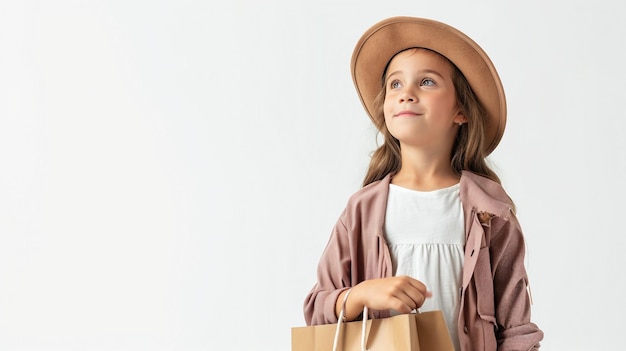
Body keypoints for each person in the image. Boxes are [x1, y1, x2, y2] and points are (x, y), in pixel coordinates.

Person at [303, 16, 544, 351]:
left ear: (461, 110)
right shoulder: (361, 210)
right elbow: (316, 310)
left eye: (427, 82)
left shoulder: (489, 211)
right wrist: (360, 295)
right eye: (395, 85)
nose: (407, 94)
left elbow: (516, 329)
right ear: (385, 107)